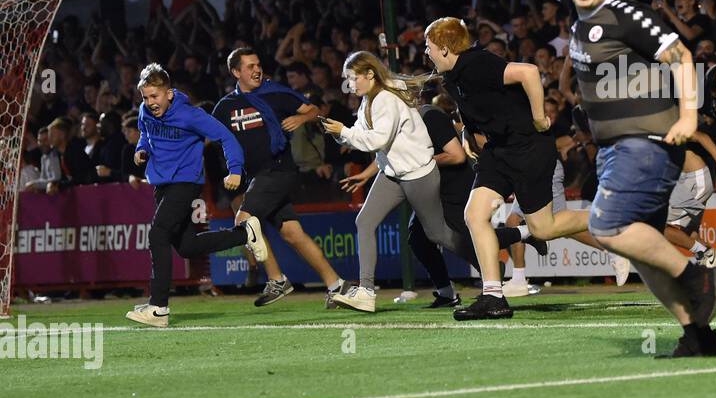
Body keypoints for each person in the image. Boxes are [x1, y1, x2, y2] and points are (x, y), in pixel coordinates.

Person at [508, 0, 716, 356]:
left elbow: (683, 56)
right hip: (616, 150)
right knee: (637, 253)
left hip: (645, 143)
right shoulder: (579, 5)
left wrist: (689, 115)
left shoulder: (626, 13)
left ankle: (696, 272)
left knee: (605, 227)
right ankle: (699, 334)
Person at [426, 16, 589, 320]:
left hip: (528, 148)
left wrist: (540, 117)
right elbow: (475, 112)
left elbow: (528, 72)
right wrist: (467, 137)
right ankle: (493, 297)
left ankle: (611, 215)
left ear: (446, 49)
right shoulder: (452, 78)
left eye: (430, 47)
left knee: (545, 228)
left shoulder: (476, 63)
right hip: (498, 151)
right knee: (474, 215)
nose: (428, 53)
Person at [320, 51, 472, 313]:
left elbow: (378, 139)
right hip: (392, 172)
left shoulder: (386, 99)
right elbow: (360, 133)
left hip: (418, 173)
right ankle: (366, 292)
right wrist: (340, 134)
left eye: (353, 78)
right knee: (364, 221)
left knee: (438, 234)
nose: (350, 84)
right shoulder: (369, 100)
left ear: (369, 74)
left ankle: (488, 263)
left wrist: (342, 132)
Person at [126, 63, 268, 328]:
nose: (150, 102)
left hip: (185, 183)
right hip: (163, 185)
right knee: (187, 247)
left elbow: (226, 137)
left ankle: (158, 308)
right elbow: (145, 133)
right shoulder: (145, 111)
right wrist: (141, 149)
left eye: (155, 96)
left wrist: (235, 169)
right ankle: (244, 233)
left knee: (158, 233)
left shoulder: (191, 115)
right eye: (145, 97)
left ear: (169, 94)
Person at [212, 48, 345, 307]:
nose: (256, 69)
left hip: (278, 171)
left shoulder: (276, 93)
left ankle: (276, 279)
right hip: (256, 178)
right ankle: (336, 285)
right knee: (293, 234)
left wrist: (301, 117)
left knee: (244, 220)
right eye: (249, 66)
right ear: (236, 72)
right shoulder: (225, 107)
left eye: (258, 64)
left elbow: (315, 109)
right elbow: (210, 135)